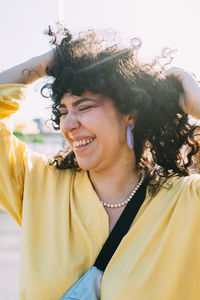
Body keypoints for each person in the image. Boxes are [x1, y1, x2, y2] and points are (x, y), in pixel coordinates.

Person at [0, 28, 200, 300]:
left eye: (84, 107)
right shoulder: (36, 183)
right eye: (62, 111)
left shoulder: (186, 202)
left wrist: (197, 105)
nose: (69, 124)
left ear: (130, 114)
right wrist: (47, 62)